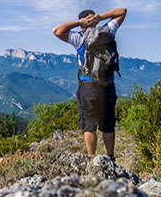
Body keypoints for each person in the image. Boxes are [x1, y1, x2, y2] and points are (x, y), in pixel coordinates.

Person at [52, 8, 127, 162]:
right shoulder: (109, 30)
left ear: (82, 25)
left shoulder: (79, 37)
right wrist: (101, 17)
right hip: (107, 84)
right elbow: (123, 11)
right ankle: (110, 158)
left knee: (89, 125)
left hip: (88, 86)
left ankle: (91, 159)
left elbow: (57, 31)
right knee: (108, 124)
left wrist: (80, 23)